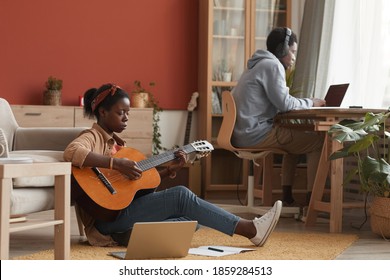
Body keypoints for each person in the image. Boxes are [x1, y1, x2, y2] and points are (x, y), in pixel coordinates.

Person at [64, 83, 283, 247]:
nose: (126, 118)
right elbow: (72, 152)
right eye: (121, 113)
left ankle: (130, 237)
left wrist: (169, 169)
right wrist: (116, 162)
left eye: (128, 113)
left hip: (120, 215)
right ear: (102, 112)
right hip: (105, 220)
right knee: (181, 196)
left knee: (192, 219)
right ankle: (250, 229)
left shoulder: (118, 145)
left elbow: (132, 185)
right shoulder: (92, 136)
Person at [231, 27, 326, 207]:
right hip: (256, 134)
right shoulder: (272, 65)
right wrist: (311, 102)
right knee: (318, 142)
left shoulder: (257, 64)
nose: (294, 57)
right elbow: (285, 104)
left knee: (294, 138)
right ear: (282, 50)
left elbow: (280, 102)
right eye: (292, 51)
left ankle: (288, 196)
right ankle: (312, 202)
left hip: (244, 132)